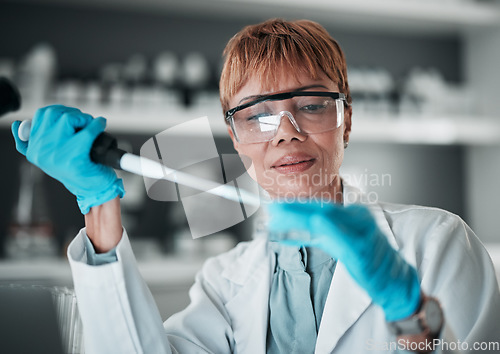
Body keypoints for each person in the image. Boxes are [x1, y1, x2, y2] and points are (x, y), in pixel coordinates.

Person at [11, 18, 500, 354]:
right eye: (258, 116)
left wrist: (410, 310)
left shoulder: (436, 243)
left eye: (310, 104)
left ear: (346, 121)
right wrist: (99, 205)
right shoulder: (224, 282)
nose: (286, 130)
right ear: (236, 139)